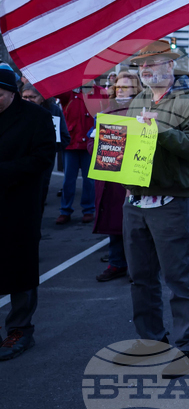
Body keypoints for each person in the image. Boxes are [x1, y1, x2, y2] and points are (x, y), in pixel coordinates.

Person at [120, 41, 189, 377]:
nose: (146, 70)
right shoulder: (140, 99)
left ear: (170, 66)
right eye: (142, 66)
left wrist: (162, 132)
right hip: (136, 200)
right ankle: (151, 344)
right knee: (140, 279)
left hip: (171, 201)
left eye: (153, 64)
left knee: (178, 278)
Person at [0, 65, 58, 361]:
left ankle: (20, 330)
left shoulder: (36, 117)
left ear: (10, 92)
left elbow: (44, 157)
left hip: (19, 205)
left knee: (19, 269)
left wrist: (5, 172)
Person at [92, 71, 141, 282]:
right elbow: (93, 139)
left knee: (134, 223)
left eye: (127, 87)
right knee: (114, 220)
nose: (121, 90)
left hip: (134, 173)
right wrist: (96, 147)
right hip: (110, 174)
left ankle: (136, 265)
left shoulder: (143, 110)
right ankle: (117, 262)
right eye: (119, 86)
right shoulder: (107, 111)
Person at [21, 85, 68, 207]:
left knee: (38, 199)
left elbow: (64, 138)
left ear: (42, 97)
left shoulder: (53, 110)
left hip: (43, 165)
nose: (27, 100)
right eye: (24, 97)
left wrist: (47, 149)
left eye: (32, 97)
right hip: (20, 163)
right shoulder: (16, 111)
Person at [56, 86, 96, 224]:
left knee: (90, 180)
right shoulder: (69, 92)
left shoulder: (99, 92)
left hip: (89, 143)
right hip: (71, 143)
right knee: (68, 179)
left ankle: (89, 209)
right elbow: (57, 90)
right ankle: (65, 210)